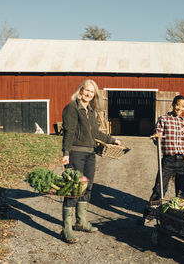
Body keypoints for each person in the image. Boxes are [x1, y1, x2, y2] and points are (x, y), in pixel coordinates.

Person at [61, 79, 121, 243]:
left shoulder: (91, 110)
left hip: (89, 154)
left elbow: (95, 133)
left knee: (87, 187)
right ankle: (66, 228)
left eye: (92, 92)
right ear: (80, 90)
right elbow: (69, 132)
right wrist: (66, 153)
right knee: (74, 188)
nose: (88, 94)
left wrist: (111, 140)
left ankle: (81, 222)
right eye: (86, 90)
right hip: (76, 153)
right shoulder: (72, 108)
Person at [142, 95, 184, 223]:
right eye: (178, 105)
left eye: (182, 106)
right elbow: (157, 136)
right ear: (173, 104)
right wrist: (156, 137)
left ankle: (180, 218)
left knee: (182, 191)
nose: (180, 108)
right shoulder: (163, 119)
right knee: (159, 188)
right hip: (169, 160)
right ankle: (149, 215)